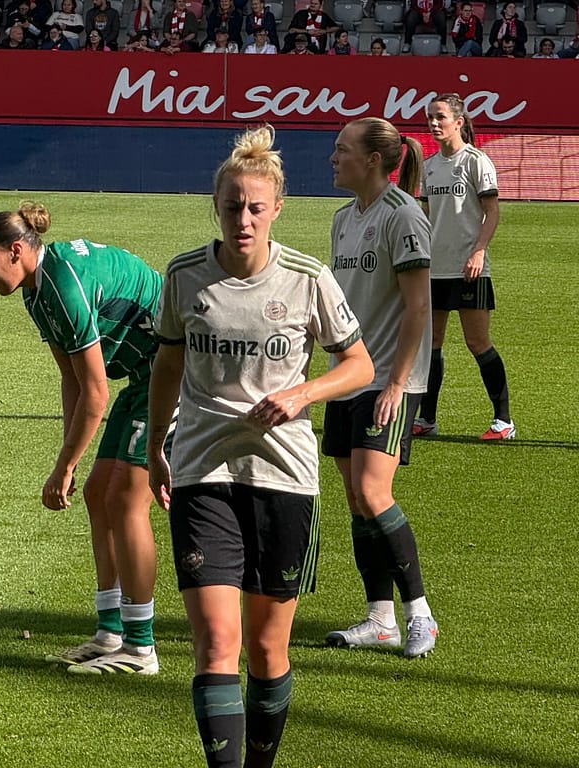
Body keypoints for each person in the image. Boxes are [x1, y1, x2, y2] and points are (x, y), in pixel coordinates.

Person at [146, 125, 373, 768]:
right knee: (218, 642)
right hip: (201, 469)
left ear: (276, 209)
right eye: (230, 206)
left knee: (269, 649)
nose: (242, 219)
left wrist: (304, 394)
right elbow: (166, 366)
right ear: (214, 207)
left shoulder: (307, 278)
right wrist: (156, 443)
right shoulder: (185, 276)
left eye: (254, 207)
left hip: (285, 476)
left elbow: (358, 365)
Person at [0, 203, 166, 676]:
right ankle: (110, 633)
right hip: (145, 377)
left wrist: (62, 468)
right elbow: (72, 381)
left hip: (177, 375)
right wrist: (69, 460)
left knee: (124, 500)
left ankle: (141, 648)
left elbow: (96, 393)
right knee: (100, 493)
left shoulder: (62, 287)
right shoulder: (37, 290)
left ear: (15, 251)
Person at [324, 117, 439, 659]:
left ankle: (421, 614)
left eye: (342, 149)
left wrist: (397, 383)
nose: (333, 157)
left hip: (389, 378)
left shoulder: (404, 216)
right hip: (348, 375)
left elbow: (419, 305)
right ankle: (380, 618)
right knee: (354, 499)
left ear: (372, 160)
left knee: (373, 491)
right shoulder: (342, 219)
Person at [415, 93, 515, 441]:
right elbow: (427, 216)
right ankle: (427, 419)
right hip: (435, 268)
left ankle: (503, 420)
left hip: (469, 267)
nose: (433, 123)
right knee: (433, 345)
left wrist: (478, 252)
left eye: (440, 117)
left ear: (458, 122)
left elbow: (492, 211)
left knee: (478, 342)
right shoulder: (429, 166)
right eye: (430, 117)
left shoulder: (476, 161)